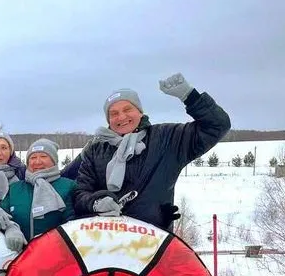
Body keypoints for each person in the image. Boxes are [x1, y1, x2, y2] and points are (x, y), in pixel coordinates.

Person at [73, 73, 231, 229]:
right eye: (114, 113)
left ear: (140, 112)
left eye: (127, 109)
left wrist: (190, 96)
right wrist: (95, 203)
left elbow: (217, 126)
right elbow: (80, 194)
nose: (121, 117)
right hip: (106, 241)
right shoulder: (96, 150)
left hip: (153, 242)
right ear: (108, 120)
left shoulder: (167, 138)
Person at [0, 138, 76, 245]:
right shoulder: (14, 188)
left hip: (57, 252)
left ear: (54, 160)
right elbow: (3, 215)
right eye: (33, 157)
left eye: (43, 156)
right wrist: (10, 229)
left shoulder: (68, 186)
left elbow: (74, 223)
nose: (37, 161)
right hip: (18, 253)